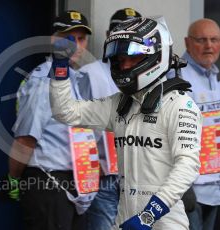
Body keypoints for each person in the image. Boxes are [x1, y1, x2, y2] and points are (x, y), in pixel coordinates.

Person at [49, 16, 202, 230]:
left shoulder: (180, 105)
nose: (125, 65)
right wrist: (60, 67)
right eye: (120, 60)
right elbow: (65, 112)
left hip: (164, 224)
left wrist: (148, 216)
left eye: (133, 57)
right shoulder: (119, 104)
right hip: (125, 221)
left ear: (155, 56)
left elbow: (188, 166)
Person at [4, 10, 98, 230]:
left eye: (81, 39)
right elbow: (26, 139)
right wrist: (13, 179)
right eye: (68, 38)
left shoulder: (76, 80)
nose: (76, 45)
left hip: (78, 183)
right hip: (48, 183)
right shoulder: (44, 81)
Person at [79, 8, 142, 230]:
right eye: (120, 32)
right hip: (105, 175)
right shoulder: (89, 73)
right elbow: (77, 128)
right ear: (108, 35)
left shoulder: (149, 74)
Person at [167, 18, 220, 230]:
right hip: (190, 188)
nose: (209, 46)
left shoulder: (215, 76)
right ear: (187, 43)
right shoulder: (176, 77)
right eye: (202, 40)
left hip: (214, 187)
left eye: (214, 39)